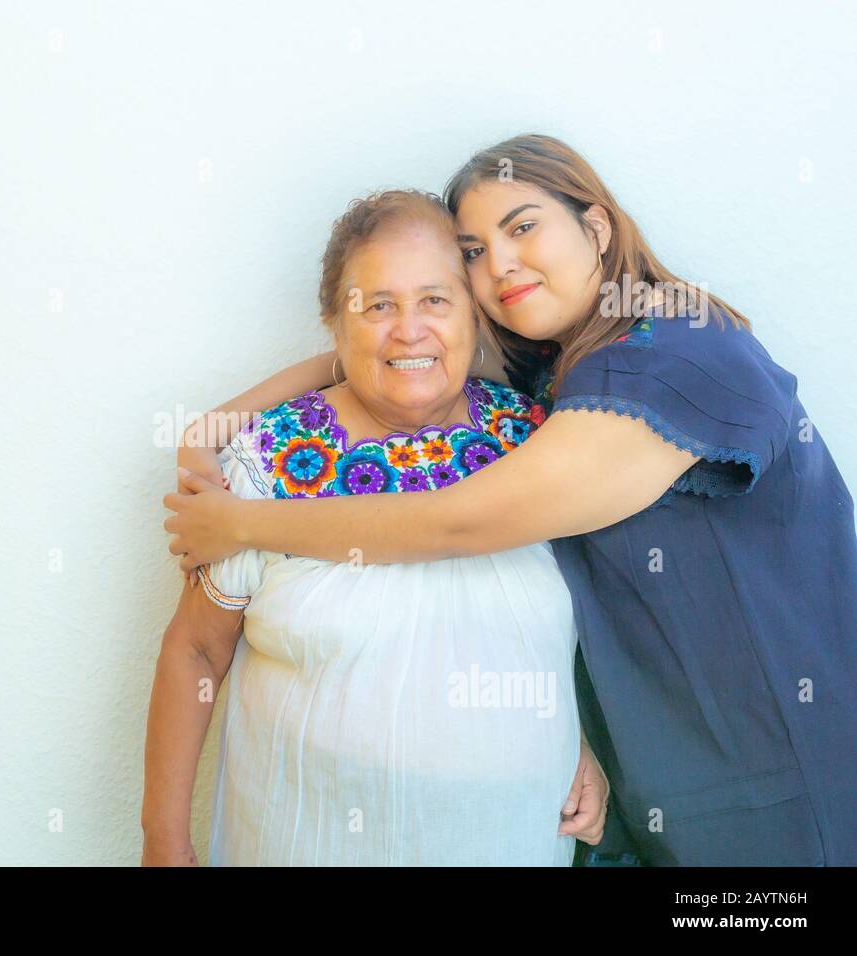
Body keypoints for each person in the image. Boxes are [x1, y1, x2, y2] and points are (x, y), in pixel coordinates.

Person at [165, 135, 857, 866]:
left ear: (596, 227)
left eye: (522, 227)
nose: (499, 264)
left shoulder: (679, 354)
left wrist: (241, 522)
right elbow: (391, 352)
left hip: (777, 773)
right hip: (655, 793)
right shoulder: (559, 363)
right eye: (474, 250)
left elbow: (456, 523)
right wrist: (205, 433)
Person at [143, 189, 607, 866]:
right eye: (377, 306)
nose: (409, 331)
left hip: (511, 842)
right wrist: (164, 840)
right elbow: (196, 653)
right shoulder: (265, 462)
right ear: (335, 325)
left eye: (435, 300)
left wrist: (578, 739)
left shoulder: (537, 442)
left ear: (474, 313)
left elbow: (566, 632)